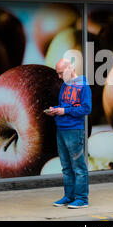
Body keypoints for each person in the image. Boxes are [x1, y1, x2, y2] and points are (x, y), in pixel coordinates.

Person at [45, 58, 92, 209]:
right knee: (66, 167)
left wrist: (65, 111)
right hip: (61, 129)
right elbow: (64, 105)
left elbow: (86, 109)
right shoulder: (65, 86)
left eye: (60, 73)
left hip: (74, 131)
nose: (59, 77)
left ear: (69, 68)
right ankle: (69, 196)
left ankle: (82, 199)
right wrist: (56, 110)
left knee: (78, 167)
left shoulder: (83, 85)